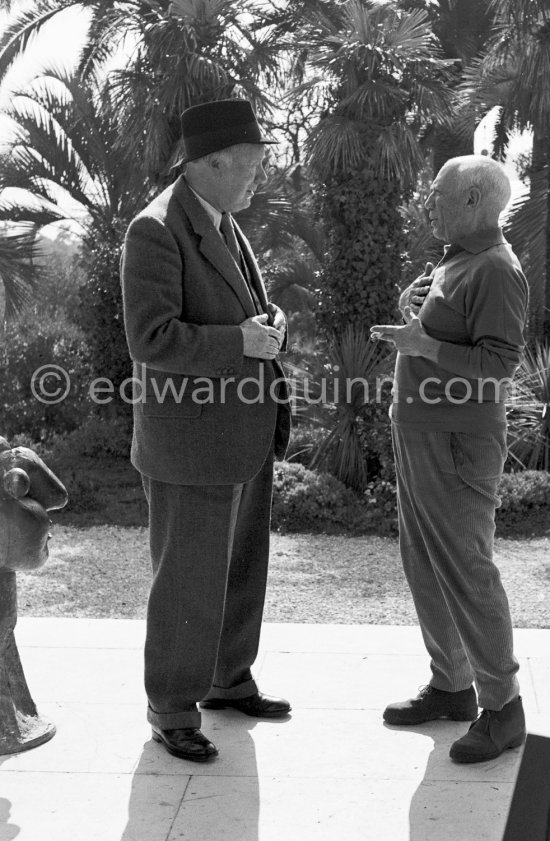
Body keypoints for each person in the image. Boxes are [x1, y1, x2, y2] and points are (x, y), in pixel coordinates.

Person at [120, 99, 292, 763]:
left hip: (242, 437)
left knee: (242, 570)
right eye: (251, 166)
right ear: (212, 162)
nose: (259, 177)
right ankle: (171, 709)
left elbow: (240, 311)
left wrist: (267, 324)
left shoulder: (221, 219)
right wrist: (240, 341)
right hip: (190, 446)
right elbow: (151, 337)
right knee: (187, 582)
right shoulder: (154, 229)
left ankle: (228, 680)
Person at [370, 155, 528, 763]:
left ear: (471, 201)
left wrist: (424, 343)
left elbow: (498, 364)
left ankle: (504, 710)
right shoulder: (455, 259)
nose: (426, 201)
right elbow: (444, 333)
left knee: (466, 569)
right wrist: (415, 313)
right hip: (421, 434)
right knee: (425, 564)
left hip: (458, 443)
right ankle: (452, 686)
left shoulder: (496, 269)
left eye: (436, 192)